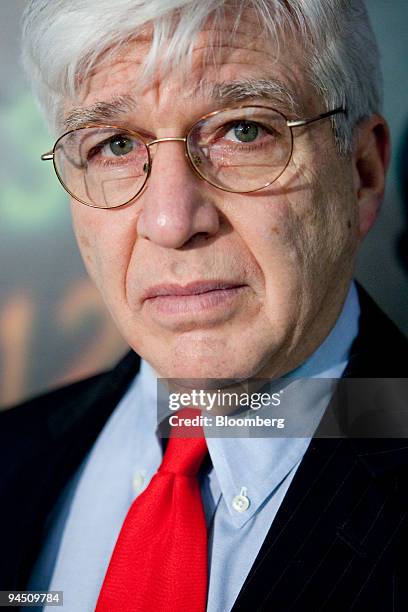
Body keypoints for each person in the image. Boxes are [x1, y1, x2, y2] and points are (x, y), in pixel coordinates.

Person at [1, 0, 407, 610]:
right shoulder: (11, 454)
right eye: (114, 145)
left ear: (361, 172)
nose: (170, 221)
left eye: (244, 130)